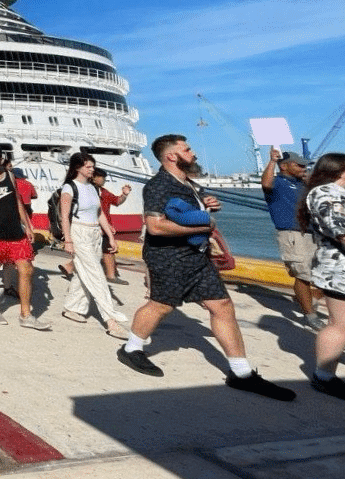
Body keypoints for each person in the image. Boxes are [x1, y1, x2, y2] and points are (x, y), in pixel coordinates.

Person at [116, 134, 295, 401]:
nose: (194, 153)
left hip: (197, 257)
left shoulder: (188, 184)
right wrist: (202, 226)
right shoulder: (158, 186)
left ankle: (242, 373)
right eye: (187, 149)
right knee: (161, 305)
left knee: (222, 305)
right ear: (171, 156)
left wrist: (208, 206)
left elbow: (192, 215)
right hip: (169, 258)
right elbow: (155, 226)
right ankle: (131, 349)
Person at [0, 146, 50, 330]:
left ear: (1, 159)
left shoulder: (9, 176)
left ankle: (25, 315)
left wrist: (27, 225)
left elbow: (18, 202)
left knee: (27, 268)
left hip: (15, 231)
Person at [56, 153, 130, 339]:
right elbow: (65, 217)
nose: (92, 170)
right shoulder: (69, 188)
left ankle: (72, 308)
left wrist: (110, 237)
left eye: (92, 167)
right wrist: (68, 241)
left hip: (95, 234)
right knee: (97, 276)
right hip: (79, 233)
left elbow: (100, 214)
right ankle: (111, 321)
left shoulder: (94, 188)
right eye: (88, 167)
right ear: (77, 168)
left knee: (84, 273)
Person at [297, 153, 345, 400]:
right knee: (340, 325)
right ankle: (324, 377)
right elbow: (341, 232)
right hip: (339, 271)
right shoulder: (326, 194)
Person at [263, 149, 325, 330]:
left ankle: (309, 301)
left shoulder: (302, 183)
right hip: (292, 234)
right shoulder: (277, 183)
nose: (303, 167)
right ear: (284, 166)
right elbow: (266, 184)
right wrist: (272, 162)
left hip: (312, 232)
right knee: (302, 274)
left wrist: (311, 183)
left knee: (325, 271)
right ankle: (310, 316)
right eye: (298, 164)